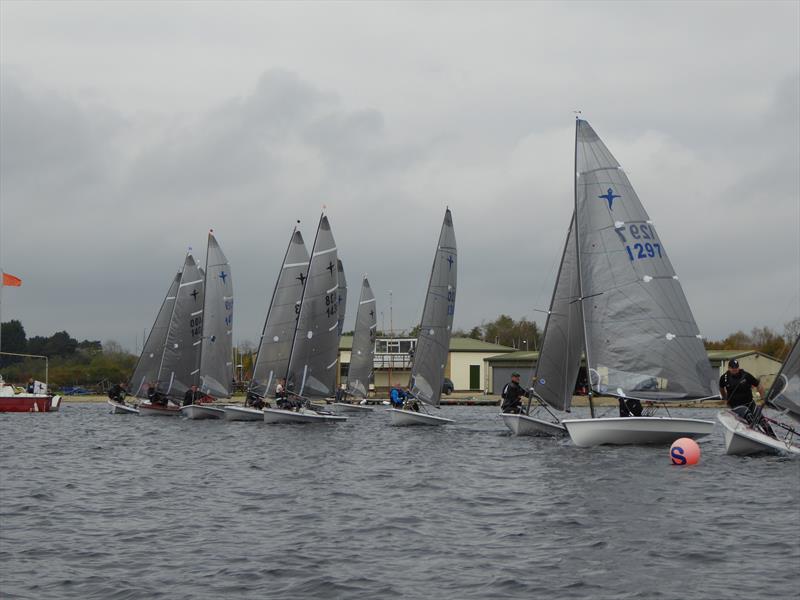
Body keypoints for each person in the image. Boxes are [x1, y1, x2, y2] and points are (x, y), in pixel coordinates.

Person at [720, 359, 775, 437]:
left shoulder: (746, 375)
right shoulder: (724, 378)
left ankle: (773, 437)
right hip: (736, 406)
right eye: (732, 368)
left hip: (750, 404)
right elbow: (721, 388)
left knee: (761, 420)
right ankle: (756, 436)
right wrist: (725, 399)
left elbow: (759, 385)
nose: (735, 369)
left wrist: (763, 398)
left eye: (736, 367)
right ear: (729, 368)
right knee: (748, 415)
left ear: (738, 367)